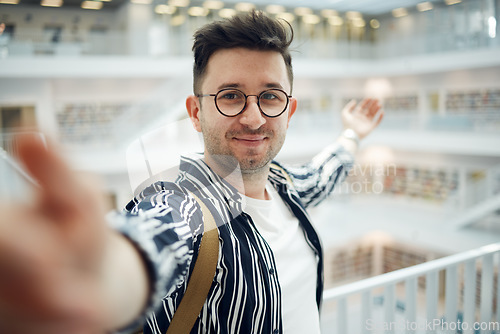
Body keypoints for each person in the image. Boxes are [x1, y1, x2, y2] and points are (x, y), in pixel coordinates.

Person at [0, 10, 383, 334]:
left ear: (289, 111)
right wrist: (94, 273)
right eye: (230, 95)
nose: (253, 118)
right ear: (197, 113)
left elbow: (322, 174)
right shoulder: (181, 205)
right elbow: (151, 238)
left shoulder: (286, 185)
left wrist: (352, 135)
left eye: (270, 96)